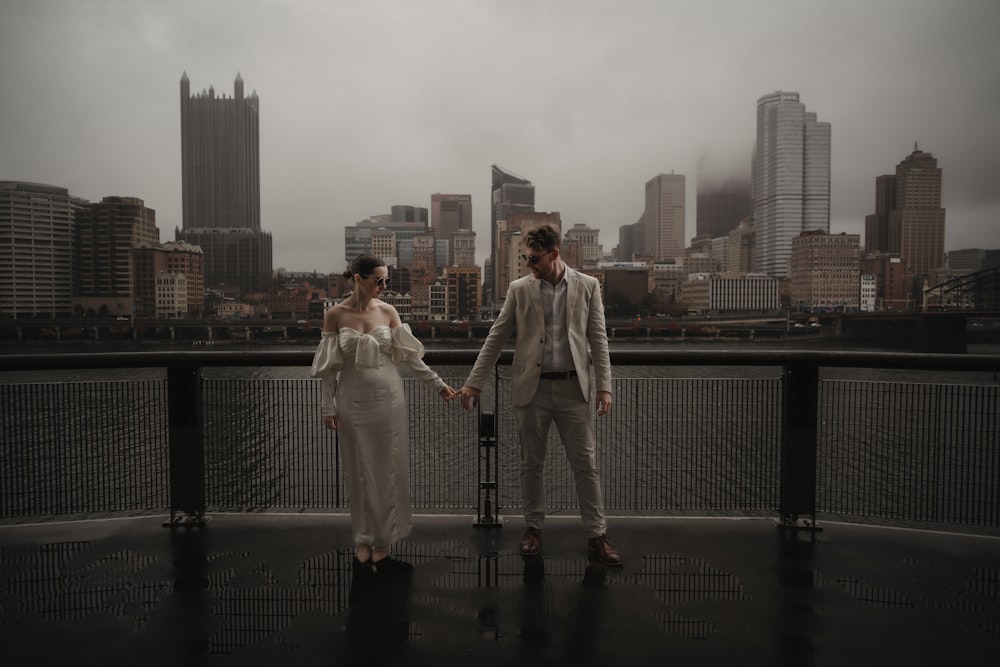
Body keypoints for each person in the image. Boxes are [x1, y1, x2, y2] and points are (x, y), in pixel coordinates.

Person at [459, 224, 622, 567]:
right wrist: (476, 381)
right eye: (524, 258)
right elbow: (496, 337)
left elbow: (599, 340)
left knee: (586, 465)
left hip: (573, 389)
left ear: (554, 254)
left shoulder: (588, 286)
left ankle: (597, 536)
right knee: (531, 464)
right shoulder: (519, 290)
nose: (528, 264)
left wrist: (604, 386)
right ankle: (533, 528)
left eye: (533, 259)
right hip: (531, 391)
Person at [311, 254, 457, 566]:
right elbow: (327, 370)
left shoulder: (389, 311)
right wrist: (328, 406)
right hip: (351, 398)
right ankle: (364, 536)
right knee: (358, 471)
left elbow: (409, 357)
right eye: (379, 280)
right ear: (358, 279)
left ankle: (384, 538)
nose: (384, 286)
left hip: (388, 398)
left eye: (386, 280)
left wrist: (438, 384)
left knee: (388, 470)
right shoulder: (335, 315)